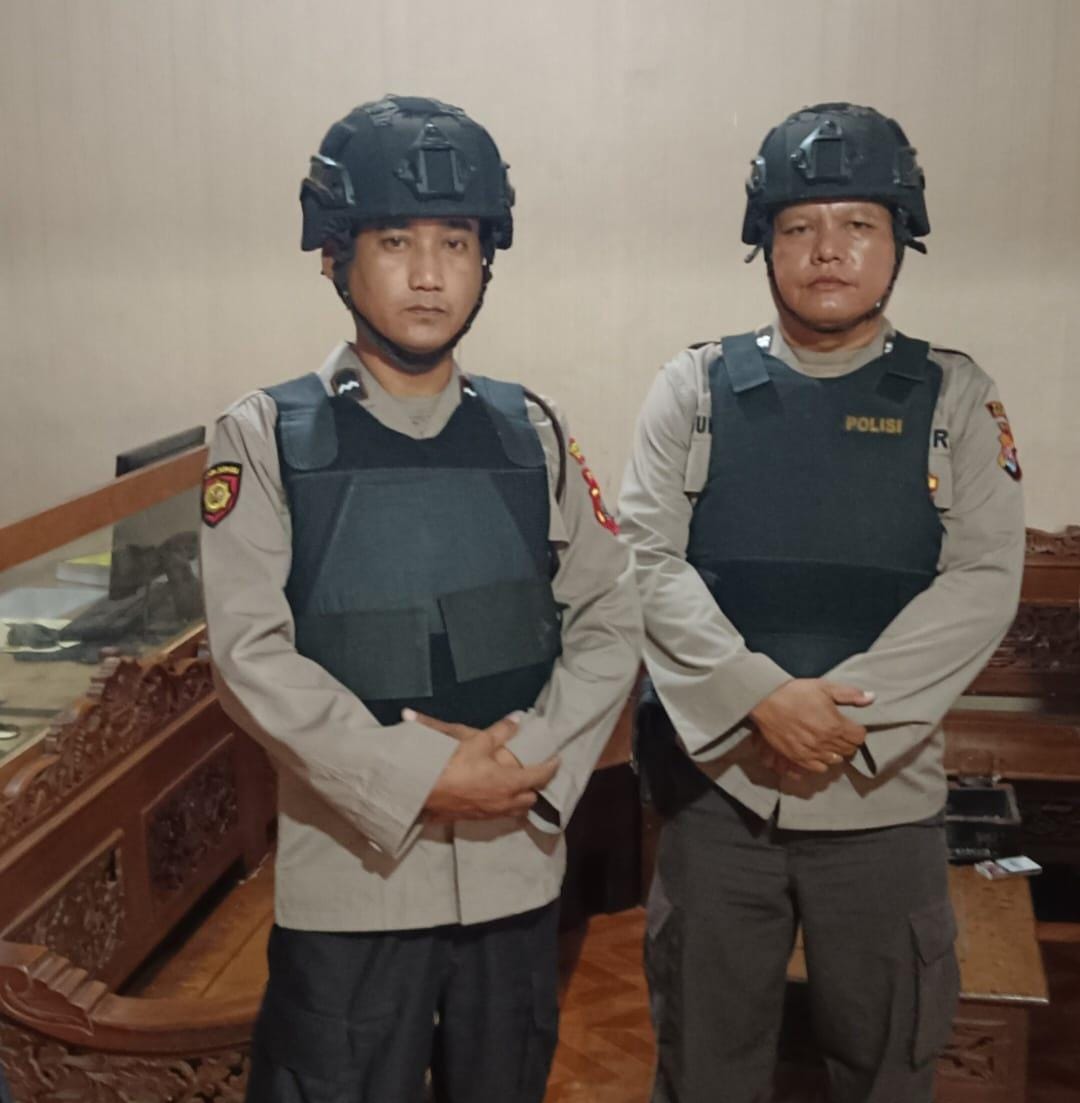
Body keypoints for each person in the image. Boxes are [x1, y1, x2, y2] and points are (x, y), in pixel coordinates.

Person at [200, 94, 641, 1103]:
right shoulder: (265, 435)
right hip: (354, 883)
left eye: (458, 242)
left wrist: (527, 765)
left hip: (514, 863)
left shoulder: (532, 429)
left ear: (488, 258)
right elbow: (249, 653)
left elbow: (610, 615)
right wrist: (420, 777)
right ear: (334, 254)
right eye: (396, 240)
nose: (431, 272)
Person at [619, 102, 1025, 1103]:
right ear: (765, 242)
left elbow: (982, 577)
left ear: (900, 240)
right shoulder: (695, 387)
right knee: (704, 1068)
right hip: (719, 797)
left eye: (858, 224)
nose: (829, 249)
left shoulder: (955, 397)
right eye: (799, 225)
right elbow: (645, 558)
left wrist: (842, 716)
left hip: (882, 801)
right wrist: (759, 695)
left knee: (887, 1067)